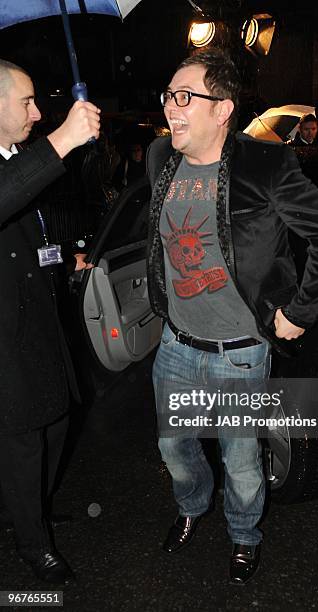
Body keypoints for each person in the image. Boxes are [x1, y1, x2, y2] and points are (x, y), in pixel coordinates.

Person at [146, 49, 318, 585]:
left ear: (223, 109)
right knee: (175, 448)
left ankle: (243, 535)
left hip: (239, 352)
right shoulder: (157, 158)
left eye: (186, 96)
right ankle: (191, 506)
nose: (172, 107)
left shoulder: (267, 165)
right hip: (175, 345)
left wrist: (298, 312)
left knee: (240, 461)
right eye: (168, 95)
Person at [0, 59, 100, 584]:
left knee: (56, 422)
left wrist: (63, 256)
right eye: (26, 101)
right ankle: (30, 540)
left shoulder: (15, 156)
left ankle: (29, 509)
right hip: (4, 335)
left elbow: (24, 232)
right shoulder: (17, 165)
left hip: (37, 321)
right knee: (21, 439)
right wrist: (63, 137)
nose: (37, 112)